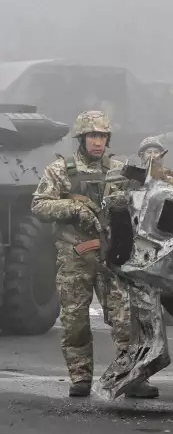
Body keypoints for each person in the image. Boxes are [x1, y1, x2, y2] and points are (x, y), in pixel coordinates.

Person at [31, 110, 158, 399]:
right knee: (75, 322)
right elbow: (39, 205)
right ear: (82, 138)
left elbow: (146, 197)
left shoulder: (119, 169)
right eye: (92, 136)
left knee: (126, 321)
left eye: (102, 136)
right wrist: (74, 208)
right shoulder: (61, 170)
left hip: (111, 255)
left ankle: (132, 377)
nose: (98, 141)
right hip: (74, 255)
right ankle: (80, 377)